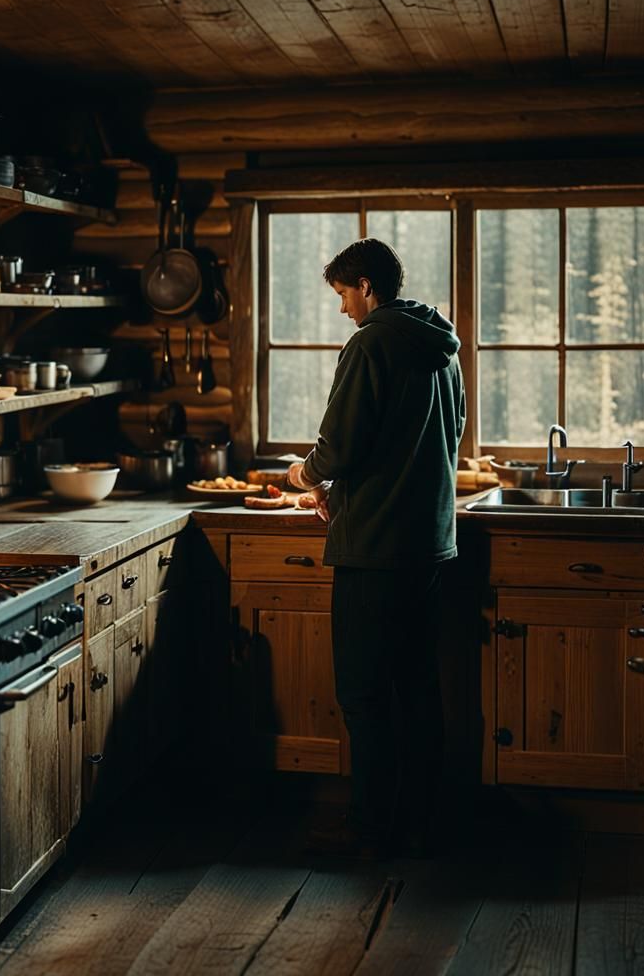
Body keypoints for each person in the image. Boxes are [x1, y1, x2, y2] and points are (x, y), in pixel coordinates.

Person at [286, 237, 465, 859]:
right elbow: (446, 434)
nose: (343, 308)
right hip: (429, 543)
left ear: (366, 286)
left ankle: (368, 830)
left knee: (363, 695)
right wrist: (345, 486)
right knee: (418, 689)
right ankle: (424, 823)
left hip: (374, 547)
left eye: (343, 294)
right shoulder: (442, 347)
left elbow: (339, 446)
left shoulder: (369, 343)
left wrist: (305, 476)